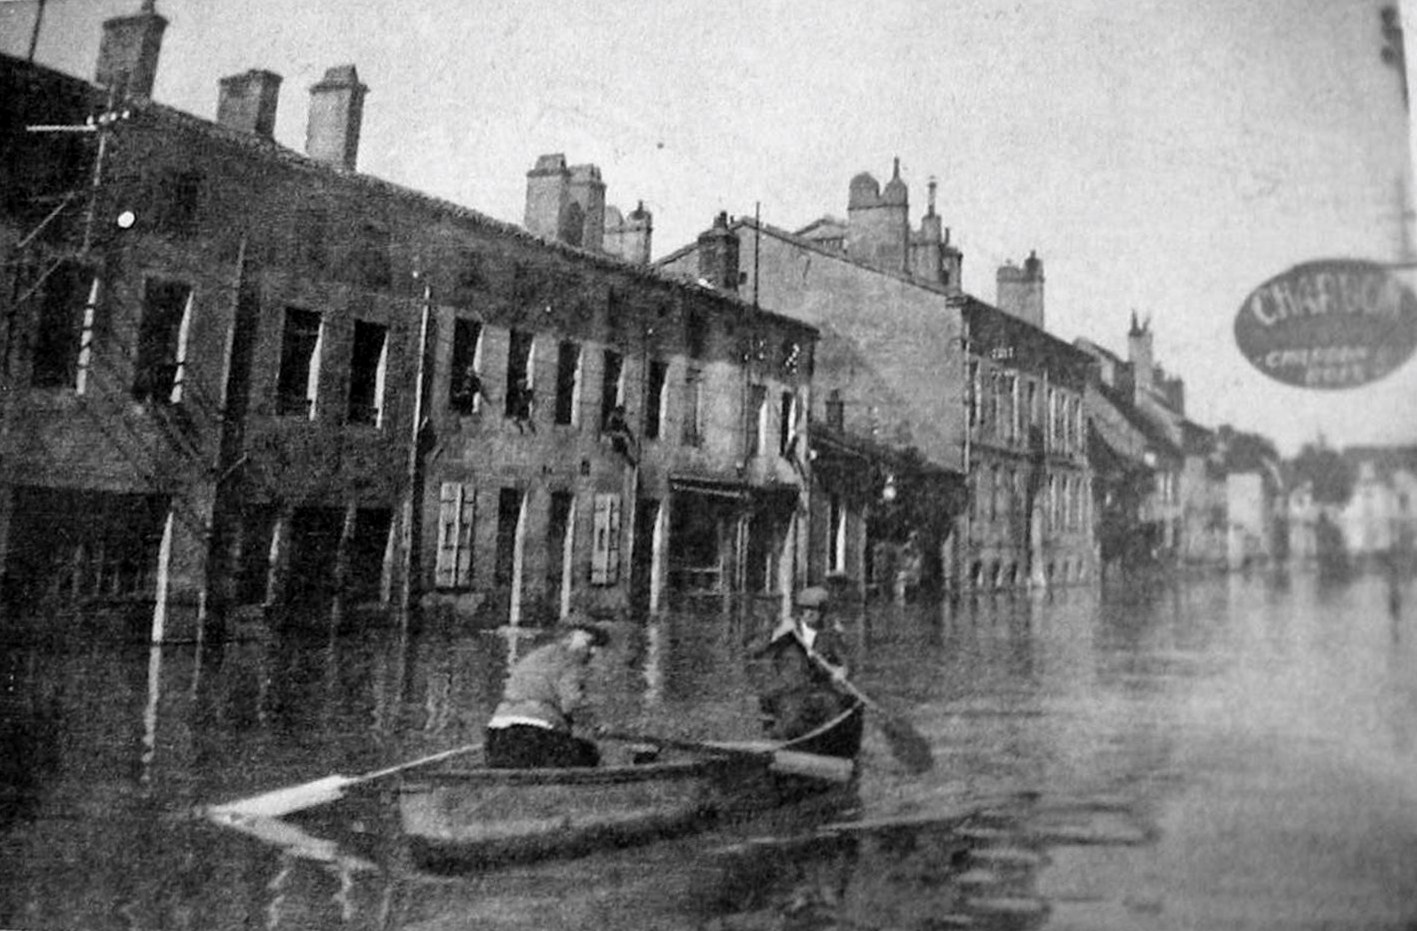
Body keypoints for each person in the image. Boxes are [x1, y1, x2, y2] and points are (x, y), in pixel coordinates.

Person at [485, 623, 609, 768]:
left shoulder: (533, 658)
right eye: (589, 643)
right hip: (536, 736)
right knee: (588, 753)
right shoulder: (570, 661)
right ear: (568, 638)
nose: (593, 651)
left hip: (496, 736)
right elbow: (572, 703)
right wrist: (597, 726)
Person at [754, 586, 853, 741]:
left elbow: (846, 663)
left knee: (834, 708)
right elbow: (757, 652)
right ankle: (779, 740)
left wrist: (842, 671)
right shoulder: (788, 631)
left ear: (824, 612)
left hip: (819, 692)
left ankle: (823, 745)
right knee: (791, 716)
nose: (809, 613)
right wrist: (776, 635)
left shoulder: (831, 636)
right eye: (805, 608)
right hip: (788, 691)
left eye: (815, 609)